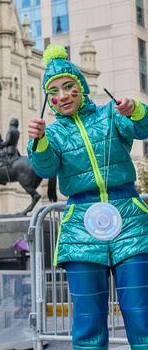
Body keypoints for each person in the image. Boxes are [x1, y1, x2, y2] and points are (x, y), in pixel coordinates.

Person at [28, 44, 148, 350]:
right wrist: (38, 141)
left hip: (130, 220)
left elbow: (143, 128)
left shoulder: (110, 114)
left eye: (69, 86)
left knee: (141, 314)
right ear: (48, 99)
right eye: (53, 92)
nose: (63, 96)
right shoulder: (52, 134)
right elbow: (46, 168)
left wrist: (134, 109)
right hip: (80, 225)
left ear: (82, 87)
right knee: (87, 320)